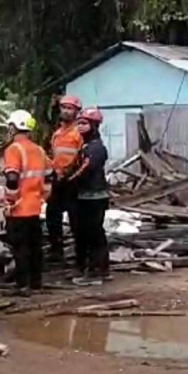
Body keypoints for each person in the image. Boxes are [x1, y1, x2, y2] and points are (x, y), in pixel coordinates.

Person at [3, 110, 53, 296]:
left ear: (13, 127)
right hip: (35, 207)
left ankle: (23, 285)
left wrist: (10, 201)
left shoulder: (13, 149)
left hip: (19, 210)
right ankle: (36, 283)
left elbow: (12, 178)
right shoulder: (39, 150)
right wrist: (44, 197)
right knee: (35, 247)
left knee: (20, 248)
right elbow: (49, 176)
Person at [70, 107, 110, 286]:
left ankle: (97, 271)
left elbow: (85, 169)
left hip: (94, 197)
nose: (80, 127)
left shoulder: (96, 148)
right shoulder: (85, 146)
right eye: (79, 123)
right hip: (85, 196)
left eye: (84, 123)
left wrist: (67, 181)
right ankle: (95, 269)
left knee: (93, 234)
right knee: (85, 234)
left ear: (94, 126)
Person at [46, 94, 83, 266]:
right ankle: (56, 250)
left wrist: (70, 173)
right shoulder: (57, 134)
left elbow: (82, 158)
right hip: (57, 180)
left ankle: (80, 254)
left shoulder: (79, 134)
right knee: (52, 216)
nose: (66, 112)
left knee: (76, 218)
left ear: (76, 112)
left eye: (70, 109)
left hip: (73, 180)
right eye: (64, 108)